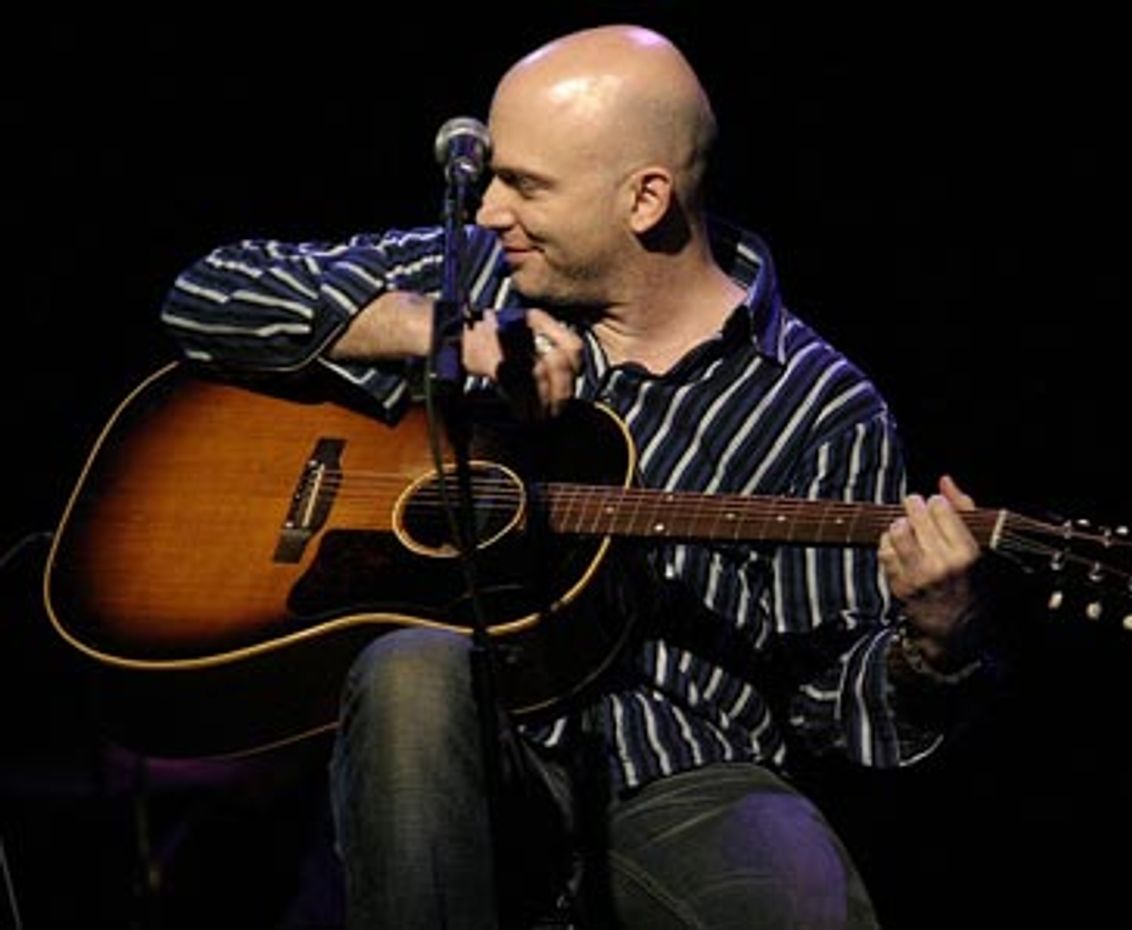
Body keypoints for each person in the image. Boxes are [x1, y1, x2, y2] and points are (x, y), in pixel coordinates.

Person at [160, 23, 990, 930]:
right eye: (492, 178)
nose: (488, 212)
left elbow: (834, 704)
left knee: (799, 900)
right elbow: (207, 294)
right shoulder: (478, 276)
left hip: (684, 775)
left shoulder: (822, 406)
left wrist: (934, 643)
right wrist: (427, 329)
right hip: (468, 748)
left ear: (645, 199)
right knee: (411, 670)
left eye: (525, 186)